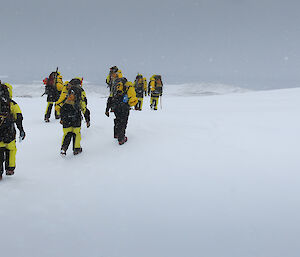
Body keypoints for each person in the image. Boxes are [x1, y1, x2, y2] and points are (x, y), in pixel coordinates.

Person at [0, 83, 25, 180]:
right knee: (11, 150)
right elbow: (18, 117)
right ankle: (10, 169)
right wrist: (21, 130)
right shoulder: (12, 104)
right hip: (9, 133)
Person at [59, 78, 90, 156]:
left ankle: (64, 148)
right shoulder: (80, 96)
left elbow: (62, 109)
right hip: (76, 118)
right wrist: (87, 119)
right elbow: (84, 109)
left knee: (67, 133)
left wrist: (62, 118)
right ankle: (76, 149)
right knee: (76, 133)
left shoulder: (67, 97)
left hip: (66, 118)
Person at [105, 77, 138, 145]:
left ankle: (116, 134)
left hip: (115, 106)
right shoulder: (128, 86)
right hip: (124, 107)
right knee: (123, 122)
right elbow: (132, 98)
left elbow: (110, 98)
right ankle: (121, 138)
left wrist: (107, 109)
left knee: (117, 119)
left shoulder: (114, 87)